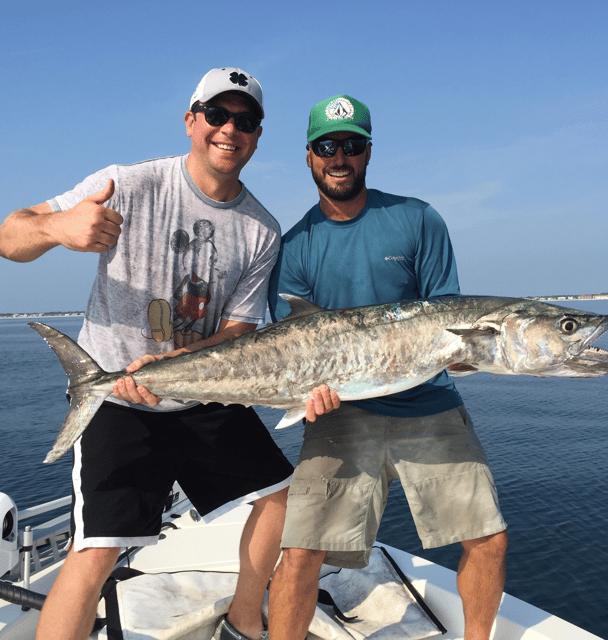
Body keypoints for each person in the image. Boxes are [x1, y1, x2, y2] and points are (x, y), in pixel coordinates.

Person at [0, 68, 336, 640]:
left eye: (245, 120)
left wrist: (176, 372)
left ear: (257, 135)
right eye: (217, 114)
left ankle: (242, 618)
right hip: (120, 403)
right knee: (95, 552)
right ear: (191, 121)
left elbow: (236, 333)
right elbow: (11, 235)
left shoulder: (262, 230)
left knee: (281, 501)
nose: (229, 128)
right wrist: (61, 228)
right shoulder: (126, 184)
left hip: (204, 395)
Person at [267, 95, 509, 640]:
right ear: (308, 156)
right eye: (327, 146)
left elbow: (448, 316)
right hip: (340, 413)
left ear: (368, 152)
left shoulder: (417, 219)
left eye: (351, 145)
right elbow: (291, 344)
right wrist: (307, 393)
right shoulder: (295, 247)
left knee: (488, 539)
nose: (339, 157)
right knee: (302, 549)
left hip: (428, 401)